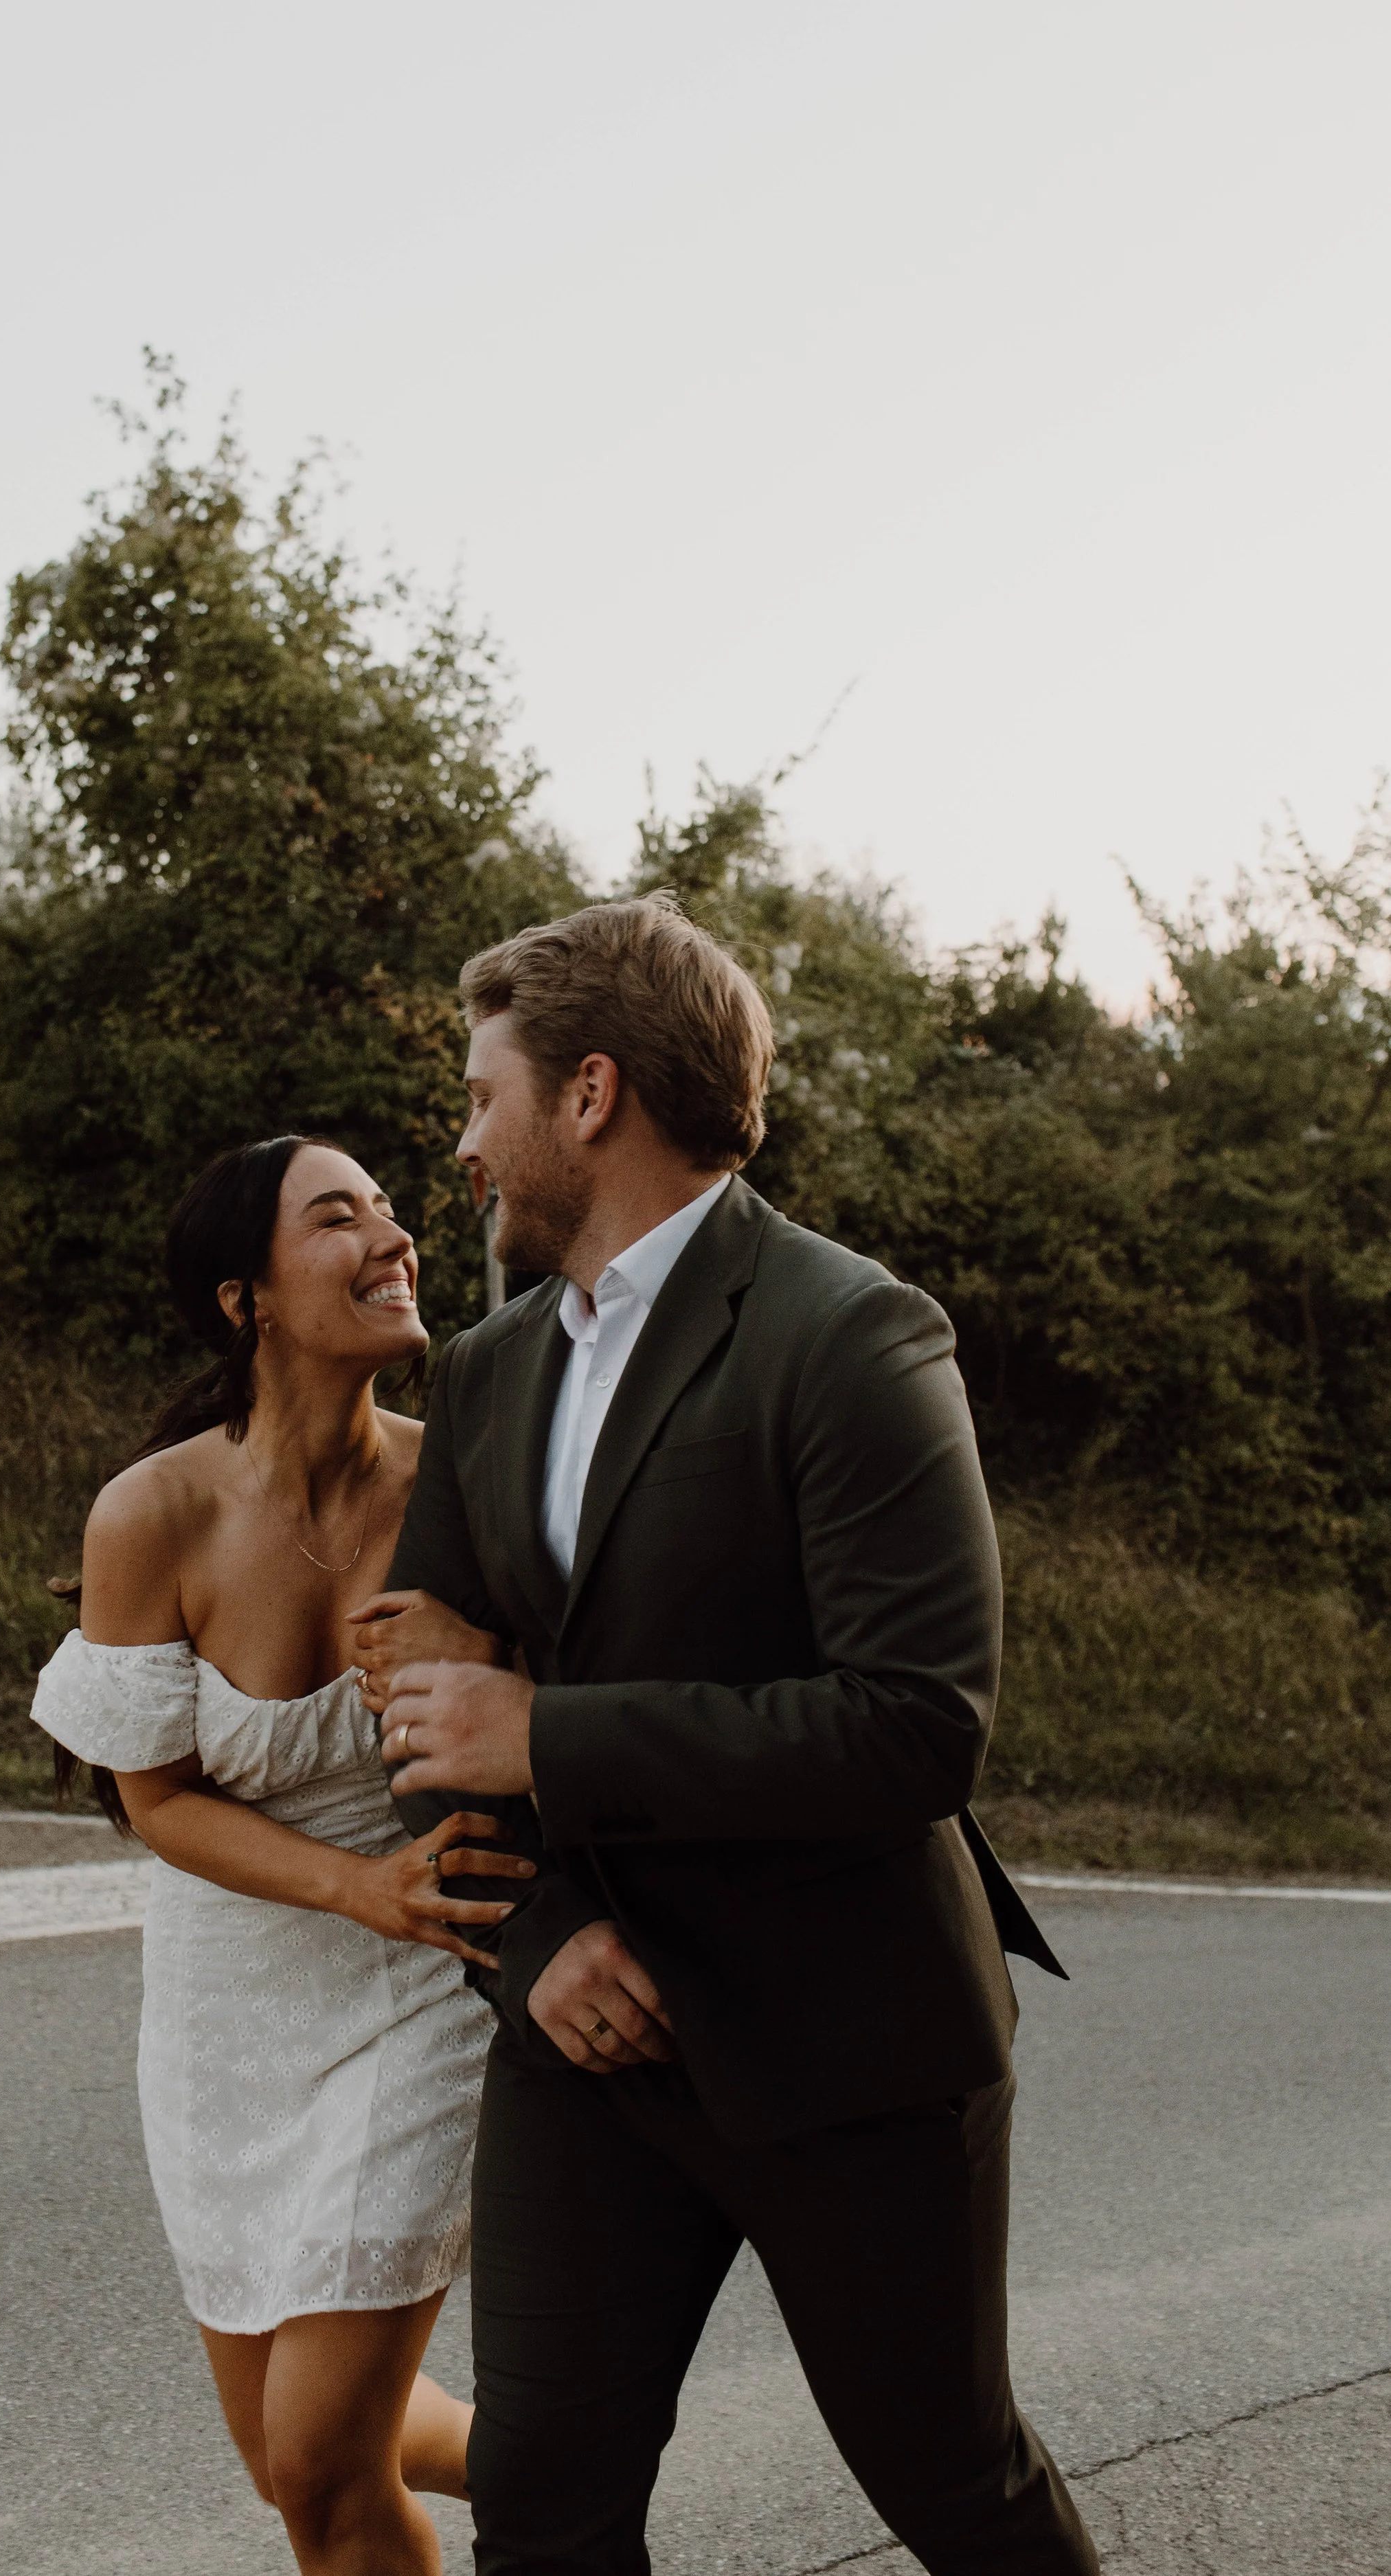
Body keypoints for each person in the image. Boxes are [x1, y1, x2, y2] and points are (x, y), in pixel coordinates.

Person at [354, 896, 1100, 2575]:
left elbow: (912, 1729)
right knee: (542, 2506)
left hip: (843, 2042)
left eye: (485, 1098)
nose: (464, 1147)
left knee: (950, 2485)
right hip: (583, 2044)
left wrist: (548, 1734)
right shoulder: (481, 1374)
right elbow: (425, 1714)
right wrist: (534, 1940)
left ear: (590, 1095)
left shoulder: (848, 1335)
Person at [30, 1135, 531, 2576]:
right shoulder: (156, 1513)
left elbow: (556, 1709)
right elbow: (160, 1801)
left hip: (424, 1977)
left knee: (318, 2460)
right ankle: (549, 2460)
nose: (394, 1237)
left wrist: (480, 1655)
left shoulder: (463, 1489)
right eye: (340, 1217)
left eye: (390, 1211)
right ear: (246, 1295)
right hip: (225, 2006)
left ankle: (552, 2472)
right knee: (286, 2465)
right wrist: (347, 1886)